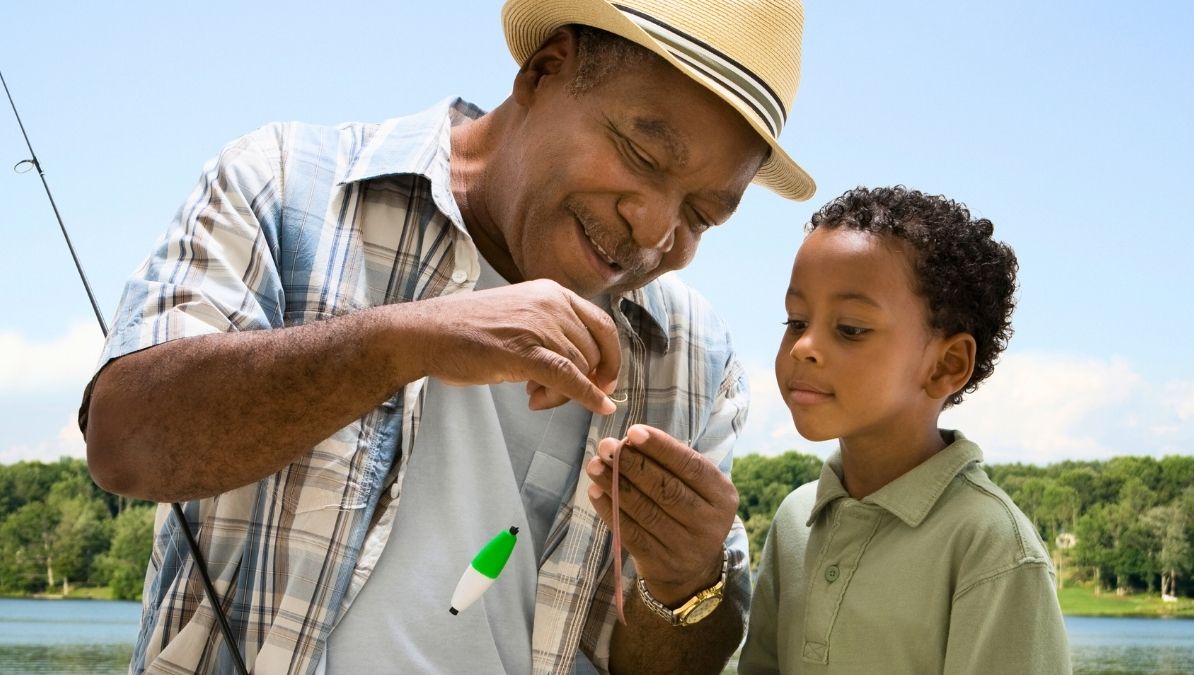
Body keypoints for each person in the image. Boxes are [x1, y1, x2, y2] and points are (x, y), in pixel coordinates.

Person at [81, 1, 814, 673]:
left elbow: (671, 661)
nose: (655, 230)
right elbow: (125, 442)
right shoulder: (282, 181)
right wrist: (405, 340)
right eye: (644, 156)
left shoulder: (696, 356)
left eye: (702, 216)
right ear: (543, 69)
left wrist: (686, 581)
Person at [738, 186, 1072, 674]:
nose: (803, 346)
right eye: (795, 320)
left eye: (850, 328)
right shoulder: (795, 519)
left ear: (945, 366)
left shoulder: (991, 546)